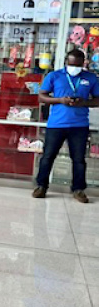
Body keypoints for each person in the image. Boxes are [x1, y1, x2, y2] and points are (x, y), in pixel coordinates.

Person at [33, 49, 99, 203]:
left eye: (77, 65)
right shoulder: (54, 76)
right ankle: (41, 186)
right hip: (56, 124)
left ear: (83, 63)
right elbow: (41, 96)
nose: (74, 67)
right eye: (71, 64)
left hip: (79, 126)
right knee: (47, 157)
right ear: (66, 62)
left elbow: (97, 100)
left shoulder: (91, 78)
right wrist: (60, 100)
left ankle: (78, 189)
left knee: (79, 159)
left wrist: (84, 103)